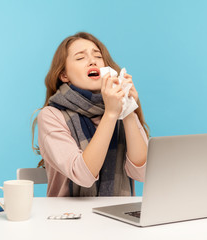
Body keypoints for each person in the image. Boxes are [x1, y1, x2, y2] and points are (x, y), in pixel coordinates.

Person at [31, 32, 150, 197]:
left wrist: (127, 108)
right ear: (64, 75)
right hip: (68, 217)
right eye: (80, 58)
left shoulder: (118, 108)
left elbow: (143, 173)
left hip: (118, 215)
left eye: (97, 56)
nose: (92, 61)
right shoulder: (51, 116)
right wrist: (110, 114)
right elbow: (83, 175)